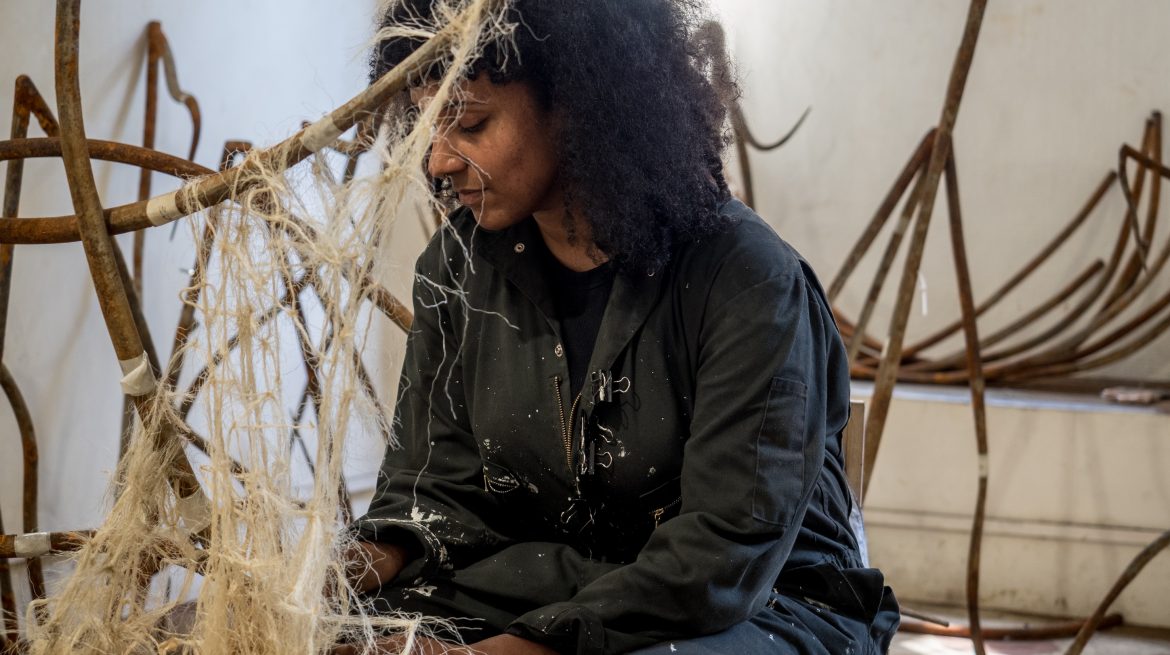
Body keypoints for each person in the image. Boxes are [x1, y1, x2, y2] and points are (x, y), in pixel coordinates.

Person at [346, 0, 900, 653]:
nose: (438, 160)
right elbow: (435, 484)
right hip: (555, 583)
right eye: (426, 127)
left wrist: (503, 651)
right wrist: (344, 575)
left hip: (757, 607)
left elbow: (720, 558)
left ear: (577, 102)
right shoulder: (457, 267)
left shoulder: (750, 285)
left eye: (470, 124)